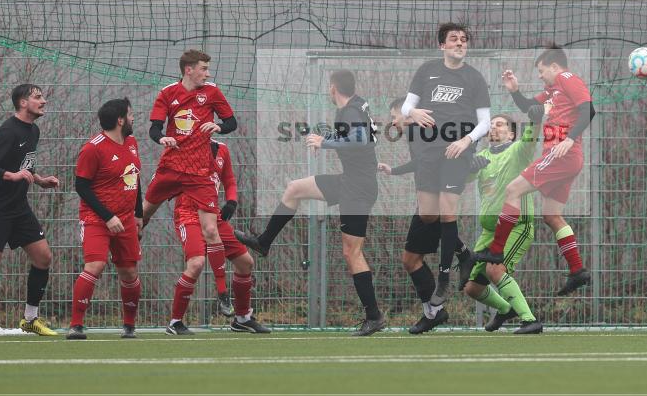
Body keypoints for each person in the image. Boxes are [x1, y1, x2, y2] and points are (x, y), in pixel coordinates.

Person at [238, 70, 384, 336]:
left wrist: (324, 141)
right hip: (351, 181)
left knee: (352, 253)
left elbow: (360, 139)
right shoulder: (358, 104)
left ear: (332, 89)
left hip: (357, 188)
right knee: (294, 189)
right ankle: (264, 242)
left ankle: (373, 316)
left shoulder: (350, 111)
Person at [473, 45, 594, 296]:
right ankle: (577, 270)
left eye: (541, 71)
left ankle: (496, 250)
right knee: (552, 215)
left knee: (512, 189)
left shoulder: (567, 78)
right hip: (564, 157)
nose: (540, 76)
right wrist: (515, 91)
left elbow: (588, 110)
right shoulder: (551, 91)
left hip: (562, 154)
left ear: (554, 66)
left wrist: (570, 138)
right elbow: (530, 108)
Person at [400, 22, 492, 318]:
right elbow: (405, 109)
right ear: (442, 45)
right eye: (454, 39)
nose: (459, 43)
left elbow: (485, 123)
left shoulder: (475, 78)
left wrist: (466, 141)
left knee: (448, 210)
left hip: (457, 151)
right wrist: (412, 113)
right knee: (429, 214)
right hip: (428, 151)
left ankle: (443, 280)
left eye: (464, 39)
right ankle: (465, 253)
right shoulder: (427, 70)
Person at [378, 98, 490, 334]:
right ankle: (437, 306)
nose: (392, 121)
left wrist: (468, 161)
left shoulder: (424, 129)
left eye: (393, 116)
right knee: (410, 260)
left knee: (414, 251)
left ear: (407, 115)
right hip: (429, 202)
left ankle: (435, 309)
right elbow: (424, 161)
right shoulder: (415, 135)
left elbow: (450, 148)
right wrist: (394, 170)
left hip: (433, 201)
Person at [142, 49, 237, 308]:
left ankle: (222, 293)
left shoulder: (213, 93)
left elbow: (231, 122)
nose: (208, 73)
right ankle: (127, 245)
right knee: (144, 213)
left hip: (199, 173)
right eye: (203, 69)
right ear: (189, 70)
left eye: (208, 69)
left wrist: (218, 126)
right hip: (171, 167)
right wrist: (161, 138)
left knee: (210, 230)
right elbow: (154, 128)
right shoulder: (168, 94)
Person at [0, 84, 60, 336]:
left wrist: (40, 180)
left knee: (43, 257)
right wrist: (9, 175)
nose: (43, 101)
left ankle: (30, 319)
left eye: (43, 96)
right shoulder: (9, 131)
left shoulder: (33, 130)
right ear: (23, 103)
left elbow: (24, 166)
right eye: (37, 97)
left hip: (18, 207)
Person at [167, 139, 270, 335]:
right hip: (188, 215)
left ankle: (241, 319)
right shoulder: (183, 148)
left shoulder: (221, 149)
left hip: (212, 214)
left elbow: (229, 180)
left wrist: (231, 201)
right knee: (196, 264)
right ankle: (175, 322)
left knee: (245, 262)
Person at [68, 98, 144, 340]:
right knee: (95, 265)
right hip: (96, 218)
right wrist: (108, 216)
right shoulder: (93, 148)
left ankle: (129, 327)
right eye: (130, 115)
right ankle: (76, 325)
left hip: (126, 219)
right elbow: (81, 186)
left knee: (129, 272)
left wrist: (139, 214)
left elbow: (135, 176)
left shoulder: (131, 142)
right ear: (120, 120)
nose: (133, 119)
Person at [463, 112, 545, 334]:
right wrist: (468, 167)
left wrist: (536, 117)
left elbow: (530, 137)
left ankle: (530, 320)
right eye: (491, 125)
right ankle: (506, 308)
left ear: (510, 133)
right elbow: (464, 181)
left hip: (516, 225)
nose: (494, 128)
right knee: (472, 288)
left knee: (495, 270)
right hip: (490, 231)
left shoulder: (518, 151)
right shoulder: (482, 156)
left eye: (500, 125)